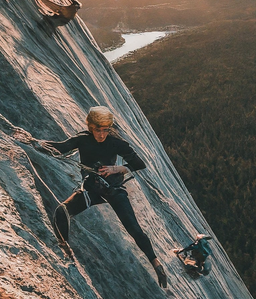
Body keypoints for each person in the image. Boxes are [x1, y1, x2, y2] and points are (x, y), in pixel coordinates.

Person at [39, 106, 167, 288]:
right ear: (91, 127)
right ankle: (65, 254)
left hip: (113, 187)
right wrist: (35, 143)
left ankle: (157, 264)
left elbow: (139, 164)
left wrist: (117, 168)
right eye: (98, 130)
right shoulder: (83, 139)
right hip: (94, 188)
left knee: (134, 228)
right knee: (62, 211)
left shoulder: (115, 142)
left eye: (105, 130)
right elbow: (61, 148)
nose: (101, 134)